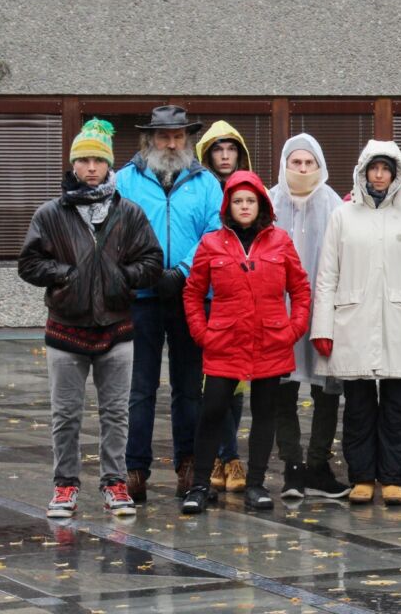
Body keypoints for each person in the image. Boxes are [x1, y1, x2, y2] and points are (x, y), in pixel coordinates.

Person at [19, 119, 164, 518]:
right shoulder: (51, 213)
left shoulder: (129, 213)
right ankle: (64, 486)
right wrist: (66, 275)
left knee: (116, 413)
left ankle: (115, 484)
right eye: (82, 160)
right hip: (65, 330)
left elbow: (152, 261)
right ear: (73, 165)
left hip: (117, 331)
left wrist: (123, 278)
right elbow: (29, 263)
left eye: (97, 160)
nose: (90, 168)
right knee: (65, 414)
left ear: (108, 164)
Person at [310, 141, 401, 506]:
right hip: (353, 321)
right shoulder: (343, 215)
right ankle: (363, 476)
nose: (380, 175)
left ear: (395, 173)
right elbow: (327, 276)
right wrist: (322, 327)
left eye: (386, 168)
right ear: (363, 172)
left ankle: (394, 476)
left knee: (399, 406)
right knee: (358, 406)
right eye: (374, 168)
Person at [180, 170, 311, 513]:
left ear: (261, 204)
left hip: (270, 340)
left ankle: (256, 484)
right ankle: (199, 485)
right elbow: (193, 293)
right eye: (237, 201)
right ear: (228, 205)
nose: (244, 206)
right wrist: (202, 333)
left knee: (265, 413)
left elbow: (300, 290)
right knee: (212, 411)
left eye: (250, 200)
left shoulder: (280, 241)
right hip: (224, 342)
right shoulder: (211, 243)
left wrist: (292, 330)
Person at [115, 105, 223, 502]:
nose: (172, 143)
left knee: (188, 387)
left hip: (191, 294)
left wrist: (181, 270)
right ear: (149, 140)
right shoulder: (124, 181)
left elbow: (215, 232)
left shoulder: (207, 183)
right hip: (139, 298)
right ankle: (134, 469)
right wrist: (144, 272)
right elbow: (115, 231)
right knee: (139, 387)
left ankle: (188, 465)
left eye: (179, 136)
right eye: (164, 136)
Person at [266, 134, 351, 499]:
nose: (302, 170)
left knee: (325, 391)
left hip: (322, 312)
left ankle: (318, 463)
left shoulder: (335, 206)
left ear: (320, 166)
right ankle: (292, 467)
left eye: (309, 163)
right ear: (284, 165)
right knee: (281, 392)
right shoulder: (268, 203)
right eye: (295, 163)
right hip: (277, 313)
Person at [195, 120, 255, 497]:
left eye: (230, 148)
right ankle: (224, 456)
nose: (224, 155)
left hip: (243, 304)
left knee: (237, 386)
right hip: (208, 301)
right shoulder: (199, 191)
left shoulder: (250, 192)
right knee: (212, 386)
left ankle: (226, 455)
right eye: (217, 149)